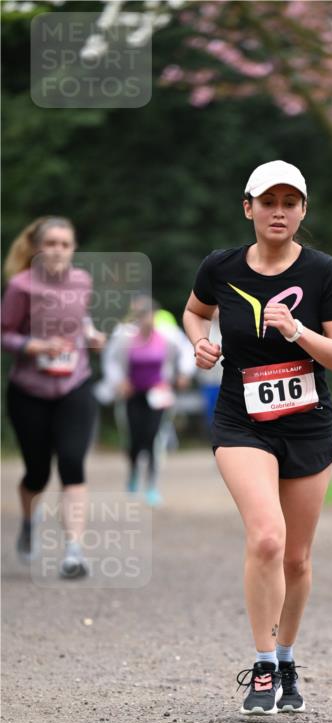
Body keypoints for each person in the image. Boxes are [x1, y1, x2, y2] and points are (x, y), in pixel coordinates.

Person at [183, 160, 332, 716]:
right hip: (242, 421)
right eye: (268, 201)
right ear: (248, 208)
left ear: (304, 210)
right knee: (266, 539)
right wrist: (200, 343)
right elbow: (194, 312)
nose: (278, 211)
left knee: (298, 560)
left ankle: (285, 660)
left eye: (290, 202)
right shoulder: (221, 266)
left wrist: (298, 331)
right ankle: (261, 670)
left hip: (307, 423)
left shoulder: (323, 272)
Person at [1, 216, 106, 578]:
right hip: (29, 391)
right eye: (52, 243)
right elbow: (5, 334)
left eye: (65, 244)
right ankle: (30, 521)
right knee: (37, 472)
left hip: (75, 385)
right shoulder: (21, 286)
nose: (59, 250)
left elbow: (82, 321)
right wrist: (35, 345)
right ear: (37, 248)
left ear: (73, 248)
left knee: (73, 463)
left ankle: (74, 553)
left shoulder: (82, 281)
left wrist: (92, 335)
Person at [97, 295, 194, 505]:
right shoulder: (125, 336)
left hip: (158, 393)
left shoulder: (167, 335)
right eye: (141, 316)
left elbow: (186, 351)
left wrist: (183, 373)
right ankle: (133, 473)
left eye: (149, 315)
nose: (145, 320)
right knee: (134, 438)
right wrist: (119, 382)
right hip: (133, 393)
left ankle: (151, 485)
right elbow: (110, 360)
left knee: (153, 438)